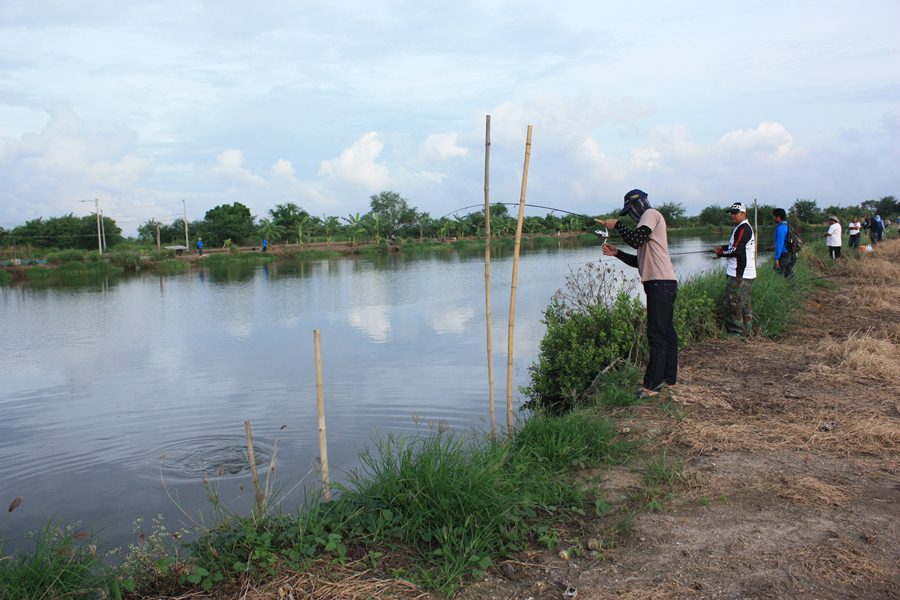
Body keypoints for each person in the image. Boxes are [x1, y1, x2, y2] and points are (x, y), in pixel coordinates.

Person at [600, 189, 678, 399]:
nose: (632, 213)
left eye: (633, 208)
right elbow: (639, 261)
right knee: (666, 333)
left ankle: (651, 386)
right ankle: (669, 379)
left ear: (641, 203)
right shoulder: (645, 226)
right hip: (663, 283)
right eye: (629, 211)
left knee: (656, 335)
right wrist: (617, 253)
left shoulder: (650, 215)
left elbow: (635, 240)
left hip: (660, 285)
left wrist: (617, 225)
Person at [713, 202, 756, 337]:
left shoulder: (743, 228)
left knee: (732, 303)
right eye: (731, 213)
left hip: (739, 274)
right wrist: (723, 248)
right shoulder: (741, 228)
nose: (732, 215)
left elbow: (737, 250)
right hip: (745, 273)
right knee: (744, 304)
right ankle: (747, 332)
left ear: (743, 214)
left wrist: (721, 253)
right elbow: (735, 246)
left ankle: (736, 334)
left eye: (735, 213)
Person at [772, 208, 796, 277]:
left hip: (783, 255)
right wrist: (774, 247)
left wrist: (776, 258)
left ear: (778, 217)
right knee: (788, 273)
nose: (773, 218)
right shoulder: (787, 226)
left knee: (779, 274)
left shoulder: (781, 228)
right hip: (790, 253)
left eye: (774, 216)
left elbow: (780, 244)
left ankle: (789, 286)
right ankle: (794, 286)